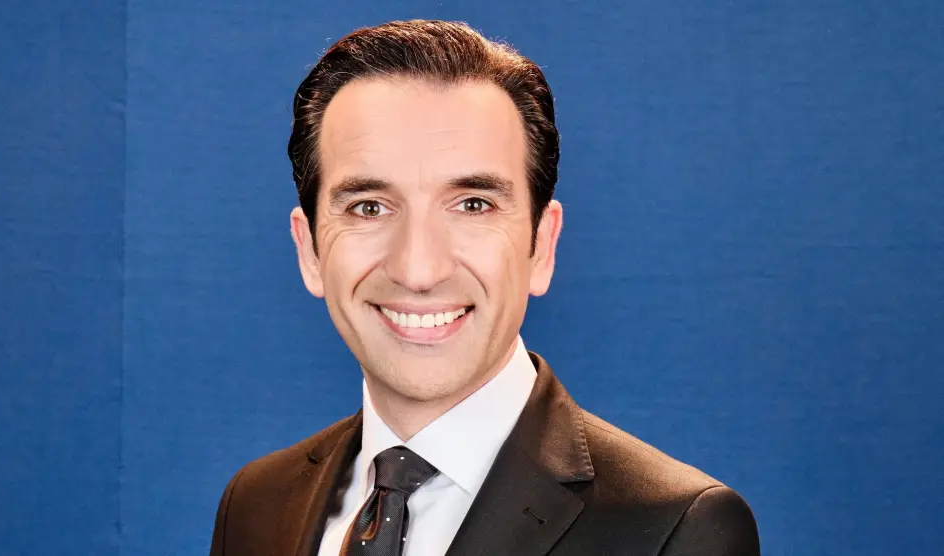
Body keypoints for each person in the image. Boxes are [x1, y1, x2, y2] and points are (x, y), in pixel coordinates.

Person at [208, 19, 759, 556]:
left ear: (542, 245)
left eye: (473, 205)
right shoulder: (255, 505)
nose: (418, 269)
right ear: (310, 251)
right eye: (369, 207)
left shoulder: (676, 531)